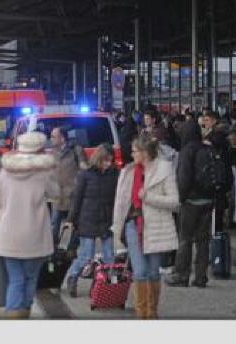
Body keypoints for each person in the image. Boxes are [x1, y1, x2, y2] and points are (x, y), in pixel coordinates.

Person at [112, 136, 179, 319]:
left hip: (155, 226)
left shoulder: (164, 169)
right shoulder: (128, 171)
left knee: (153, 272)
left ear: (145, 153)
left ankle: (152, 312)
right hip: (133, 224)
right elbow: (120, 203)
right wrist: (117, 227)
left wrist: (147, 197)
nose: (132, 154)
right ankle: (142, 316)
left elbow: (174, 202)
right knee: (140, 272)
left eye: (135, 151)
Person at [0, 132, 57, 318]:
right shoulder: (43, 172)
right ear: (40, 149)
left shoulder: (5, 171)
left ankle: (13, 319)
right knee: (30, 279)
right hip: (35, 234)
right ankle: (24, 315)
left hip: (9, 233)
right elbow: (55, 193)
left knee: (15, 279)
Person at [64, 144, 119, 298]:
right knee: (86, 255)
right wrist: (71, 219)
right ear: (98, 159)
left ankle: (103, 285)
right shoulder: (86, 174)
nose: (108, 164)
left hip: (106, 218)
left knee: (109, 257)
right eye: (105, 160)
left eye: (110, 161)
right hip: (87, 218)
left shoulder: (114, 174)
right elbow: (77, 198)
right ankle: (72, 277)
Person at [166, 121, 212, 288]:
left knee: (185, 238)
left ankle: (181, 274)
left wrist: (181, 198)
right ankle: (201, 277)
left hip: (191, 201)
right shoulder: (207, 148)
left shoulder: (187, 151)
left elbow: (183, 178)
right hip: (208, 200)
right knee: (203, 240)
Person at [47, 126, 87, 244]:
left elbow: (84, 169)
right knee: (54, 223)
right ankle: (52, 250)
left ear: (62, 138)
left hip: (72, 195)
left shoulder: (76, 150)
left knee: (74, 224)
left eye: (54, 136)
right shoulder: (52, 153)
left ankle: (71, 249)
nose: (51, 139)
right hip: (57, 195)